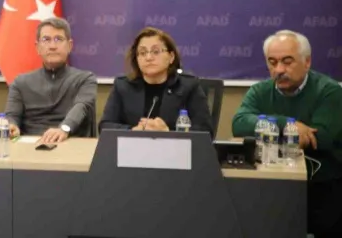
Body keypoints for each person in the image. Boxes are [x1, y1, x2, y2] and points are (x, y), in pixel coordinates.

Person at [231, 30, 342, 238]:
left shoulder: (329, 91)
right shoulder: (260, 91)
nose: (279, 70)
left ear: (307, 62)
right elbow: (239, 124)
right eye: (272, 62)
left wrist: (267, 127)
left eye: (287, 62)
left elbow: (321, 137)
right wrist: (287, 125)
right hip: (272, 182)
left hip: (321, 185)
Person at [99, 27, 213, 135]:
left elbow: (205, 131)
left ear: (171, 57)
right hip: (134, 148)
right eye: (142, 53)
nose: (148, 58)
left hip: (173, 148)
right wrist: (133, 131)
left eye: (156, 51)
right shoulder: (123, 86)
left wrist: (168, 133)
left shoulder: (188, 86)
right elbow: (105, 126)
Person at [4, 17, 96, 143]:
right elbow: (11, 116)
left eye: (58, 39)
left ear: (69, 46)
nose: (52, 46)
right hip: (30, 144)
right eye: (46, 40)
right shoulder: (20, 82)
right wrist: (11, 126)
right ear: (37, 47)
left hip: (70, 142)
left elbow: (81, 107)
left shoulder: (85, 79)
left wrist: (64, 129)